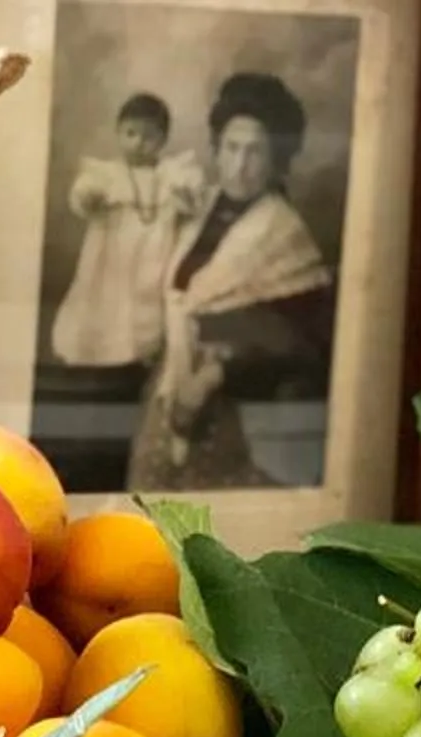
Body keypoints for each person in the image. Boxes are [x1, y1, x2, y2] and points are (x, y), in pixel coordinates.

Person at [132, 72, 335, 489]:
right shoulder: (199, 210)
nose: (241, 166)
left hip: (237, 415)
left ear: (275, 158)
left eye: (255, 152)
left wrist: (211, 377)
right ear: (216, 150)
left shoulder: (285, 234)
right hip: (168, 396)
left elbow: (299, 344)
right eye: (232, 148)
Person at [50, 93, 205, 369]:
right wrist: (89, 198)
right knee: (106, 298)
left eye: (149, 137)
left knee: (148, 303)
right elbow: (83, 196)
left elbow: (193, 200)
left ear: (163, 140)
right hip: (112, 252)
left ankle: (144, 351)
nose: (138, 143)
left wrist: (186, 194)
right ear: (118, 133)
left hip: (156, 249)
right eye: (130, 133)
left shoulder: (171, 173)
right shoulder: (107, 174)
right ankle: (94, 352)